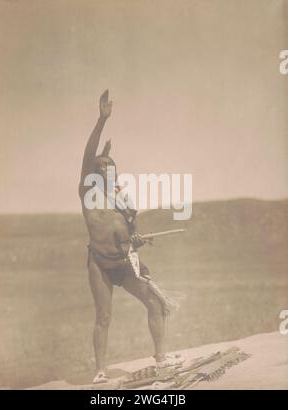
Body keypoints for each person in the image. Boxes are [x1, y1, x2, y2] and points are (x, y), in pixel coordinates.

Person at [79, 90, 182, 384]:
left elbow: (131, 232)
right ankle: (100, 371)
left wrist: (135, 239)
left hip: (125, 262)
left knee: (156, 304)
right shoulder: (87, 194)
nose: (106, 172)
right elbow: (88, 156)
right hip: (99, 264)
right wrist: (101, 120)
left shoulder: (122, 200)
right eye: (101, 169)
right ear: (92, 174)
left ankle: (161, 359)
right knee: (104, 317)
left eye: (110, 168)